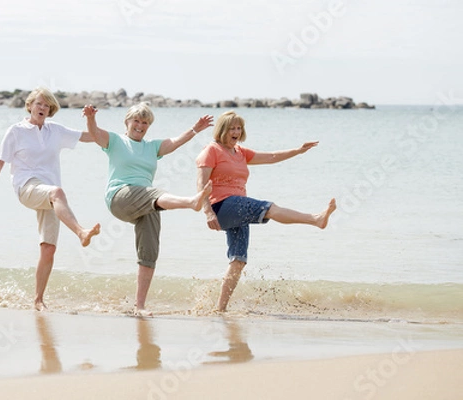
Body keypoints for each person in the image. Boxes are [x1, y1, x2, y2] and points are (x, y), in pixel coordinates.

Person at [195, 110, 336, 312]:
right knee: (269, 208)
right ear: (222, 130)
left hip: (238, 209)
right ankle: (315, 219)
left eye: (239, 128)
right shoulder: (211, 150)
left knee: (238, 260)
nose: (236, 131)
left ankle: (220, 309)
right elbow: (201, 184)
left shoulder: (240, 152)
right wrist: (207, 212)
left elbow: (271, 157)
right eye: (232, 128)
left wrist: (297, 151)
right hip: (222, 206)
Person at [83, 103, 213, 317]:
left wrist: (196, 129)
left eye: (145, 122)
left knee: (149, 252)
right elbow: (95, 134)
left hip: (147, 202)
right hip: (120, 196)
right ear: (127, 122)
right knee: (154, 194)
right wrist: (90, 118)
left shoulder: (151, 147)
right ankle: (191, 202)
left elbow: (175, 142)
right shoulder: (116, 141)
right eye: (137, 121)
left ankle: (140, 306)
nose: (140, 125)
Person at [0, 87, 101, 311]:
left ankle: (38, 300)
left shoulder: (55, 130)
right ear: (29, 106)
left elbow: (90, 137)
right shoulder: (16, 131)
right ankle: (81, 232)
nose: (42, 108)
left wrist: (94, 122)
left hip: (50, 195)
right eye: (39, 104)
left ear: (51, 110)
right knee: (58, 192)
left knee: (48, 248)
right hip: (27, 187)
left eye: (47, 105)